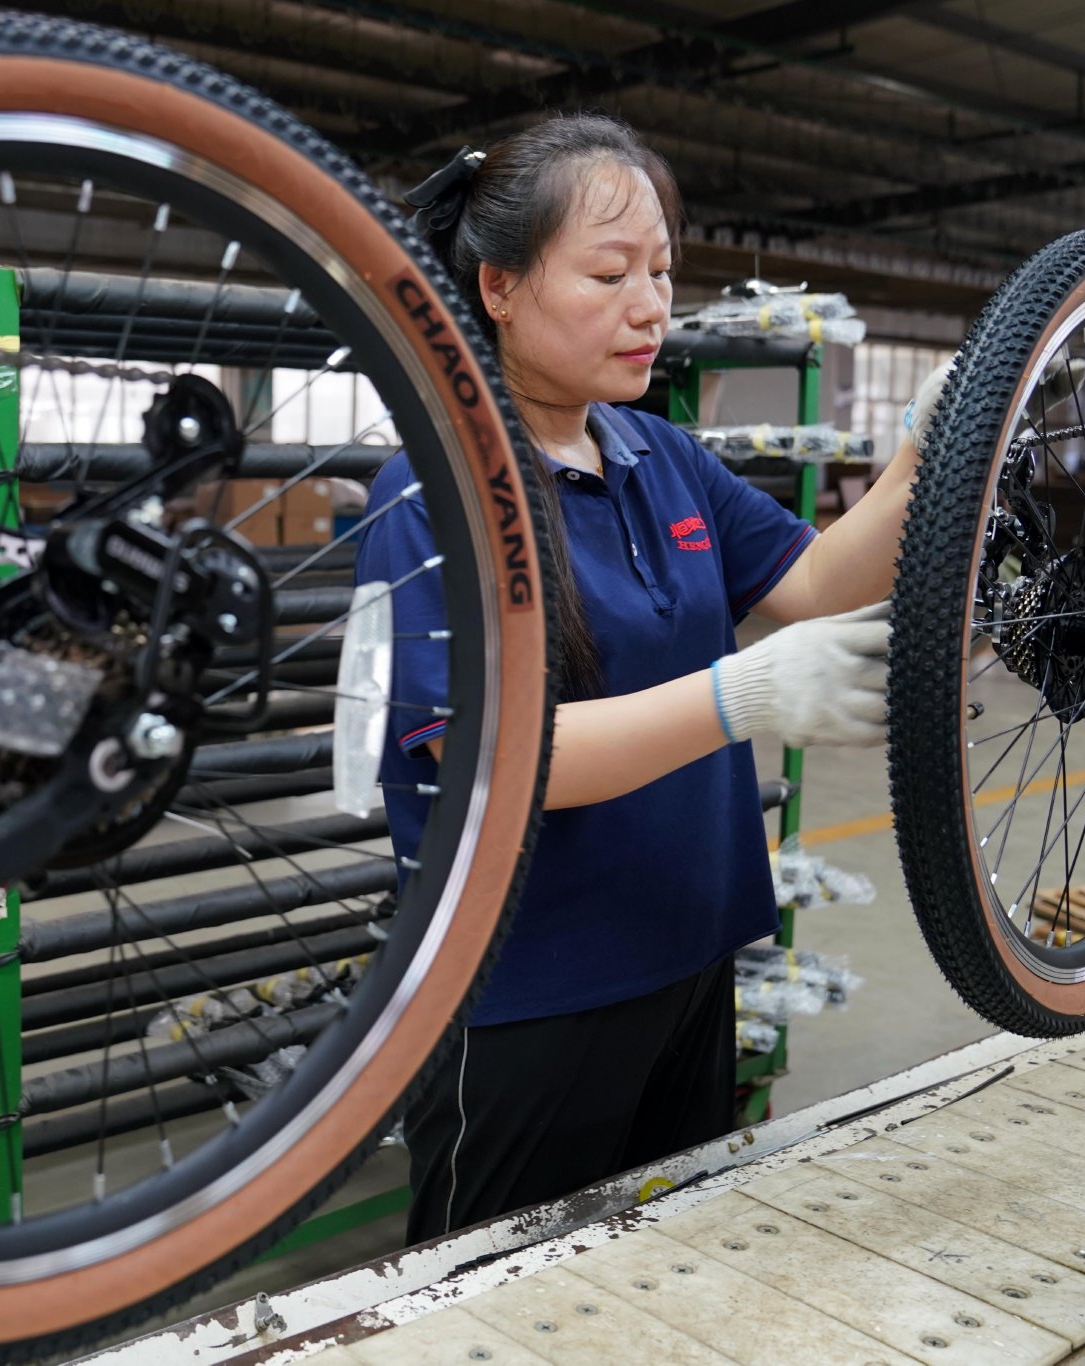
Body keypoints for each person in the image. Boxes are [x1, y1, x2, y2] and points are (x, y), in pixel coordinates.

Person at [354, 113, 950, 1242]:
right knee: (496, 1303)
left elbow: (819, 580)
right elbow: (489, 756)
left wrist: (933, 443)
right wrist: (740, 698)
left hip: (684, 960)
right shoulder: (433, 489)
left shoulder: (658, 453)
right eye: (608, 271)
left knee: (652, 1278)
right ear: (498, 287)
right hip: (526, 996)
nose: (650, 305)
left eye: (663, 271)